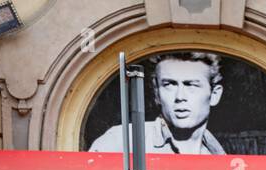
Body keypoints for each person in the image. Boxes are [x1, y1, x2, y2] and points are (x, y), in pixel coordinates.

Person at [88, 51, 226, 155]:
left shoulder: (220, 154)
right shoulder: (120, 141)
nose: (180, 97)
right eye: (169, 85)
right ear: (157, 94)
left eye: (191, 85)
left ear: (215, 95)